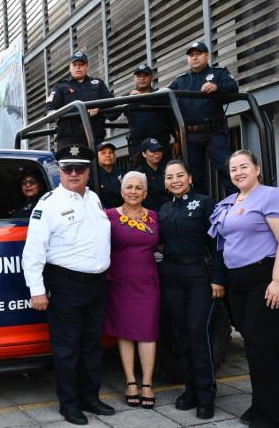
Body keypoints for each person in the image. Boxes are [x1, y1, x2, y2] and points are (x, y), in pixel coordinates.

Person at [22, 144, 114, 425]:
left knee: (92, 346)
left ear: (88, 171)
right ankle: (69, 404)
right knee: (67, 349)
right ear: (60, 171)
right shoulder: (48, 204)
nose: (73, 173)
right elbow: (34, 251)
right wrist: (36, 290)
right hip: (66, 283)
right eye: (67, 168)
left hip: (97, 284)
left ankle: (90, 397)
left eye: (80, 168)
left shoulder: (95, 199)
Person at [208, 150, 279, 428]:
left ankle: (274, 418)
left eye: (244, 166)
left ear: (257, 169)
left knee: (263, 347)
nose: (238, 172)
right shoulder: (230, 202)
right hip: (239, 282)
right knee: (253, 348)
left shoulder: (270, 195)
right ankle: (261, 405)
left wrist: (278, 281)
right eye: (233, 168)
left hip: (266, 278)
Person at [159, 159, 226, 420]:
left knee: (198, 332)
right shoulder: (163, 209)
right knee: (181, 335)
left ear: (189, 178)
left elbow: (219, 242)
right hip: (172, 276)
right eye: (169, 177)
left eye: (179, 175)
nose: (174, 180)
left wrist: (218, 279)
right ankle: (190, 390)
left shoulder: (205, 203)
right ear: (164, 182)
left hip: (199, 275)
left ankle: (206, 394)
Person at [103, 171, 160, 410]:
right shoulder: (107, 216)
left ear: (145, 193)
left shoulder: (155, 217)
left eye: (139, 188)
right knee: (124, 332)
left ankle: (147, 383)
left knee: (148, 333)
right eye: (129, 187)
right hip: (119, 282)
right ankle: (131, 382)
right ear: (122, 190)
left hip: (147, 282)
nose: (134, 191)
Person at [168, 42, 238, 195]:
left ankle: (238, 204)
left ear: (207, 56)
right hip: (190, 135)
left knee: (227, 167)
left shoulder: (218, 73)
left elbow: (233, 86)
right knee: (194, 176)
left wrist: (217, 87)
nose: (194, 58)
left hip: (214, 131)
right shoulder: (181, 80)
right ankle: (199, 211)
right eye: (191, 55)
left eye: (198, 54)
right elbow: (163, 97)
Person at [45, 52, 114, 150]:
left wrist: (99, 107)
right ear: (70, 67)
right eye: (75, 65)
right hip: (69, 140)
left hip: (95, 140)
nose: (78, 67)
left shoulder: (98, 84)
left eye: (81, 65)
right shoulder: (61, 86)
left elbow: (113, 108)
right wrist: (53, 114)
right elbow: (48, 109)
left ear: (87, 67)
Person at [120, 64, 174, 160]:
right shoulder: (128, 97)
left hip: (160, 145)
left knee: (163, 174)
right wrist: (128, 98)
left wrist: (178, 140)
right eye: (138, 76)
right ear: (134, 78)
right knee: (137, 174)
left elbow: (172, 120)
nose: (142, 78)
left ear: (151, 77)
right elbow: (110, 115)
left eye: (145, 75)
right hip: (137, 146)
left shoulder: (160, 96)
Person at [130, 137, 170, 212]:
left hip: (170, 210)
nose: (157, 154)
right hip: (152, 213)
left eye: (159, 150)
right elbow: (144, 200)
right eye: (153, 151)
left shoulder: (166, 170)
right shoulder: (139, 174)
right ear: (144, 154)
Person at [95, 141, 124, 208]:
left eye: (110, 152)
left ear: (115, 157)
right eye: (103, 153)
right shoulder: (93, 176)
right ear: (96, 157)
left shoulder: (123, 174)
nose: (108, 155)